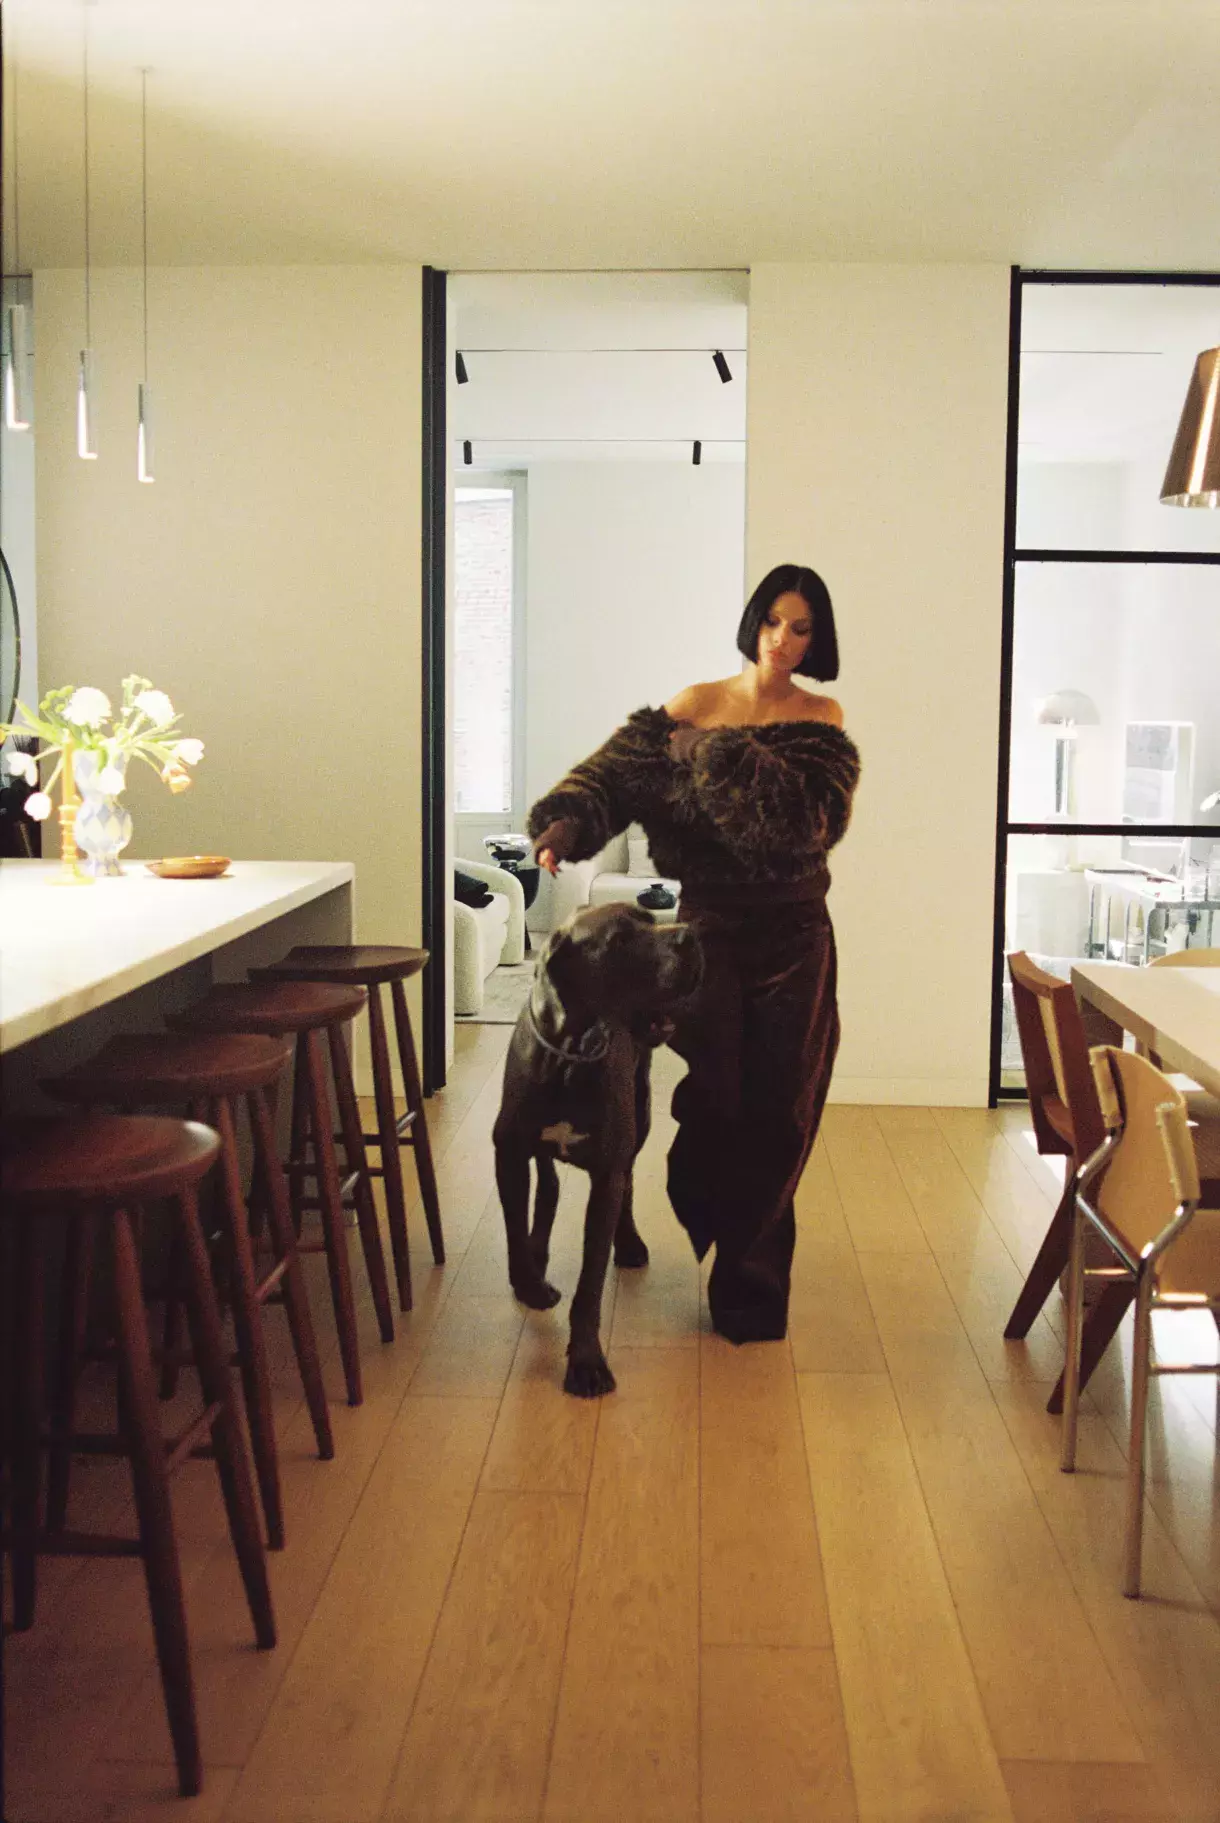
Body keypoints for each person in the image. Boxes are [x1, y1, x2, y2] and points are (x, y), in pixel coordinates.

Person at [528, 563, 861, 1343]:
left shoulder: (821, 718)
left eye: (801, 628)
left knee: (781, 1109)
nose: (782, 640)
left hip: (795, 934)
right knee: (715, 1099)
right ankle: (711, 1211)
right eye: (773, 621)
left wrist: (708, 753)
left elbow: (803, 823)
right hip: (706, 929)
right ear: (754, 621)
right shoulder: (693, 702)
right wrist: (567, 823)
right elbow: (613, 777)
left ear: (817, 639)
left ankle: (749, 1289)